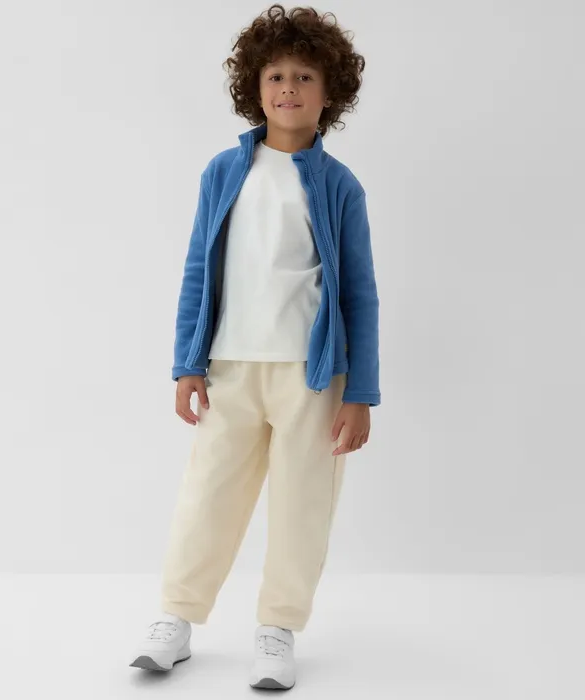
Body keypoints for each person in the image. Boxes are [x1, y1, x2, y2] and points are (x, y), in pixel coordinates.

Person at [129, 4, 380, 690]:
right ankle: (176, 619)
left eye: (305, 76)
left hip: (313, 377)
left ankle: (277, 630)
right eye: (276, 75)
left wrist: (360, 392)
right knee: (207, 496)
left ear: (330, 93)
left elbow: (360, 293)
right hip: (231, 367)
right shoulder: (223, 172)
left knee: (302, 507)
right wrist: (187, 363)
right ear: (255, 86)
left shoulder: (339, 186)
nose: (289, 88)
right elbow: (197, 270)